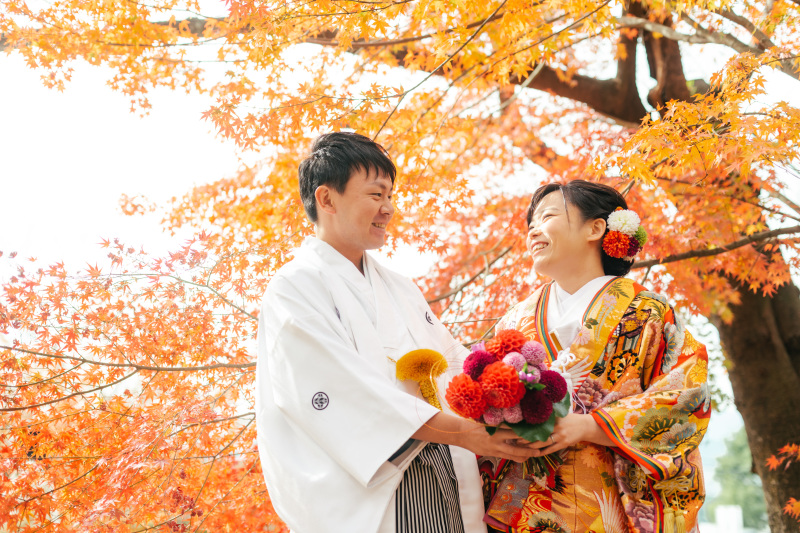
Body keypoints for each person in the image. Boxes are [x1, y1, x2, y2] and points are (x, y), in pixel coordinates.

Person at [255, 132, 539, 533]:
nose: (388, 208)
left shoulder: (399, 285)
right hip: (376, 482)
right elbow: (337, 392)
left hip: (445, 464)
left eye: (390, 196)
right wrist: (463, 433)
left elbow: (452, 357)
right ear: (327, 199)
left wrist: (505, 388)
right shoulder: (295, 286)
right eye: (376, 195)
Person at [478, 180, 710, 533]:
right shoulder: (515, 321)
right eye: (531, 225)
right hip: (528, 504)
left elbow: (689, 396)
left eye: (548, 216)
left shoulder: (648, 312)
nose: (533, 231)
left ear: (596, 228)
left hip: (609, 503)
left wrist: (591, 425)